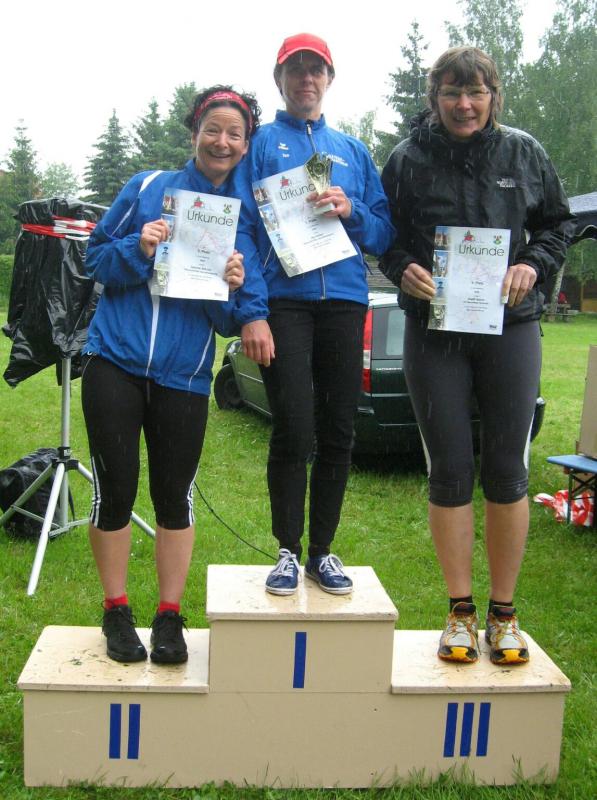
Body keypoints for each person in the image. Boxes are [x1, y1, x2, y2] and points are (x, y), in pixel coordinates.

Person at [380, 47, 574, 665]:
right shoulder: (406, 160)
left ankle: (504, 614)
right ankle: (460, 612)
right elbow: (384, 237)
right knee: (449, 470)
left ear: (493, 95)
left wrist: (532, 264)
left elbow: (557, 225)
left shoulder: (524, 152)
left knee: (508, 470)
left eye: (477, 92)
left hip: (510, 329)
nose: (464, 104)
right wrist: (402, 269)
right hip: (434, 332)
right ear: (434, 97)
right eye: (452, 92)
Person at [83, 86, 267, 664]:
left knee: (173, 498)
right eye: (213, 129)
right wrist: (137, 248)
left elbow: (228, 321)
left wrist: (233, 287)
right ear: (194, 134)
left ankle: (169, 616)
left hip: (183, 377)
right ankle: (116, 610)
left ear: (245, 145)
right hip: (113, 363)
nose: (222, 141)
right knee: (114, 490)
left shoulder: (239, 218)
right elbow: (93, 258)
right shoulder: (146, 187)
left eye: (235, 133)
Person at [243, 33, 395, 596]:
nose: (306, 79)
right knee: (293, 424)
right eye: (296, 69)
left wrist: (352, 209)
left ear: (330, 79)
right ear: (279, 78)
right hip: (285, 301)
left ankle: (321, 552)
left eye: (316, 70)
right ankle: (286, 550)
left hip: (346, 301)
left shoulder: (352, 150)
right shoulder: (259, 144)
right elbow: (242, 228)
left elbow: (384, 231)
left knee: (338, 430)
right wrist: (252, 310)